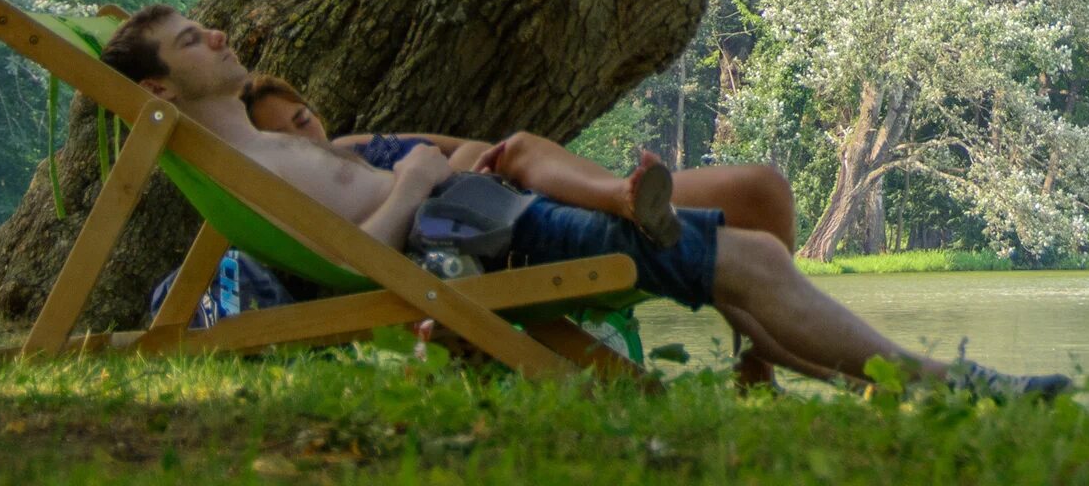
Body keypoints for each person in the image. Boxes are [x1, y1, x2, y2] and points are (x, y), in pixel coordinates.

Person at [100, 4, 1063, 396]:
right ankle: (951, 388)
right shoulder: (247, 174)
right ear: (158, 93)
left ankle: (917, 384)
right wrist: (414, 182)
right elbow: (362, 263)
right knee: (754, 257)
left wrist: (424, 175)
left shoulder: (266, 149)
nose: (220, 36)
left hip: (478, 219)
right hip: (478, 243)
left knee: (747, 262)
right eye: (193, 42)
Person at [241, 74, 795, 385]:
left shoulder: (357, 147)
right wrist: (431, 180)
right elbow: (376, 245)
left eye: (303, 117)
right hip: (501, 231)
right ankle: (623, 198)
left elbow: (473, 150)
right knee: (522, 147)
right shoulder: (296, 199)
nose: (308, 137)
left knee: (764, 189)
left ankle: (756, 375)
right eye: (286, 137)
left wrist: (460, 166)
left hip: (526, 194)